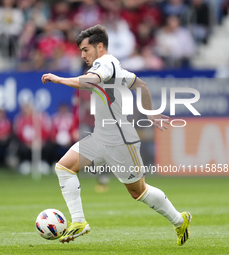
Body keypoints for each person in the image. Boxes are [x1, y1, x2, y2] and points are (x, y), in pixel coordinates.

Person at [41, 24, 191, 245]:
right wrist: (150, 113)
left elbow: (92, 80)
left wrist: (60, 79)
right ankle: (79, 221)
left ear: (99, 46)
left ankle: (180, 221)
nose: (82, 55)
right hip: (100, 136)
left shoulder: (106, 63)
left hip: (121, 140)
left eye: (85, 49)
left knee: (138, 192)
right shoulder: (116, 66)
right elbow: (141, 85)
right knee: (64, 167)